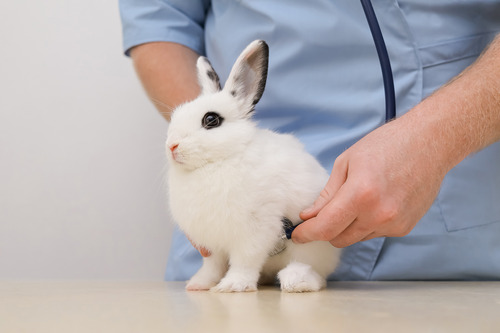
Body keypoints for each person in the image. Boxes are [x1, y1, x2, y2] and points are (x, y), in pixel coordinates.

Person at [119, 1, 500, 281]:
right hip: (227, 269)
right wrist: (207, 149)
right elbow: (160, 21)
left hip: (448, 235)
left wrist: (435, 141)